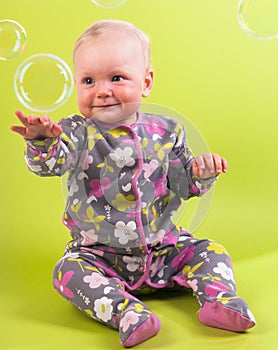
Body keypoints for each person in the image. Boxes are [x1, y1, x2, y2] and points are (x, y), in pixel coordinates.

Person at [11, 20, 255, 348]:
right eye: (88, 80)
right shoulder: (75, 132)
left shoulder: (169, 132)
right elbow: (50, 164)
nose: (102, 90)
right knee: (66, 271)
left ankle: (220, 300)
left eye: (116, 78)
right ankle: (127, 313)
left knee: (211, 250)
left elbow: (183, 186)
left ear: (146, 82)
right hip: (99, 256)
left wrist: (200, 172)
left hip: (164, 250)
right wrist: (41, 144)